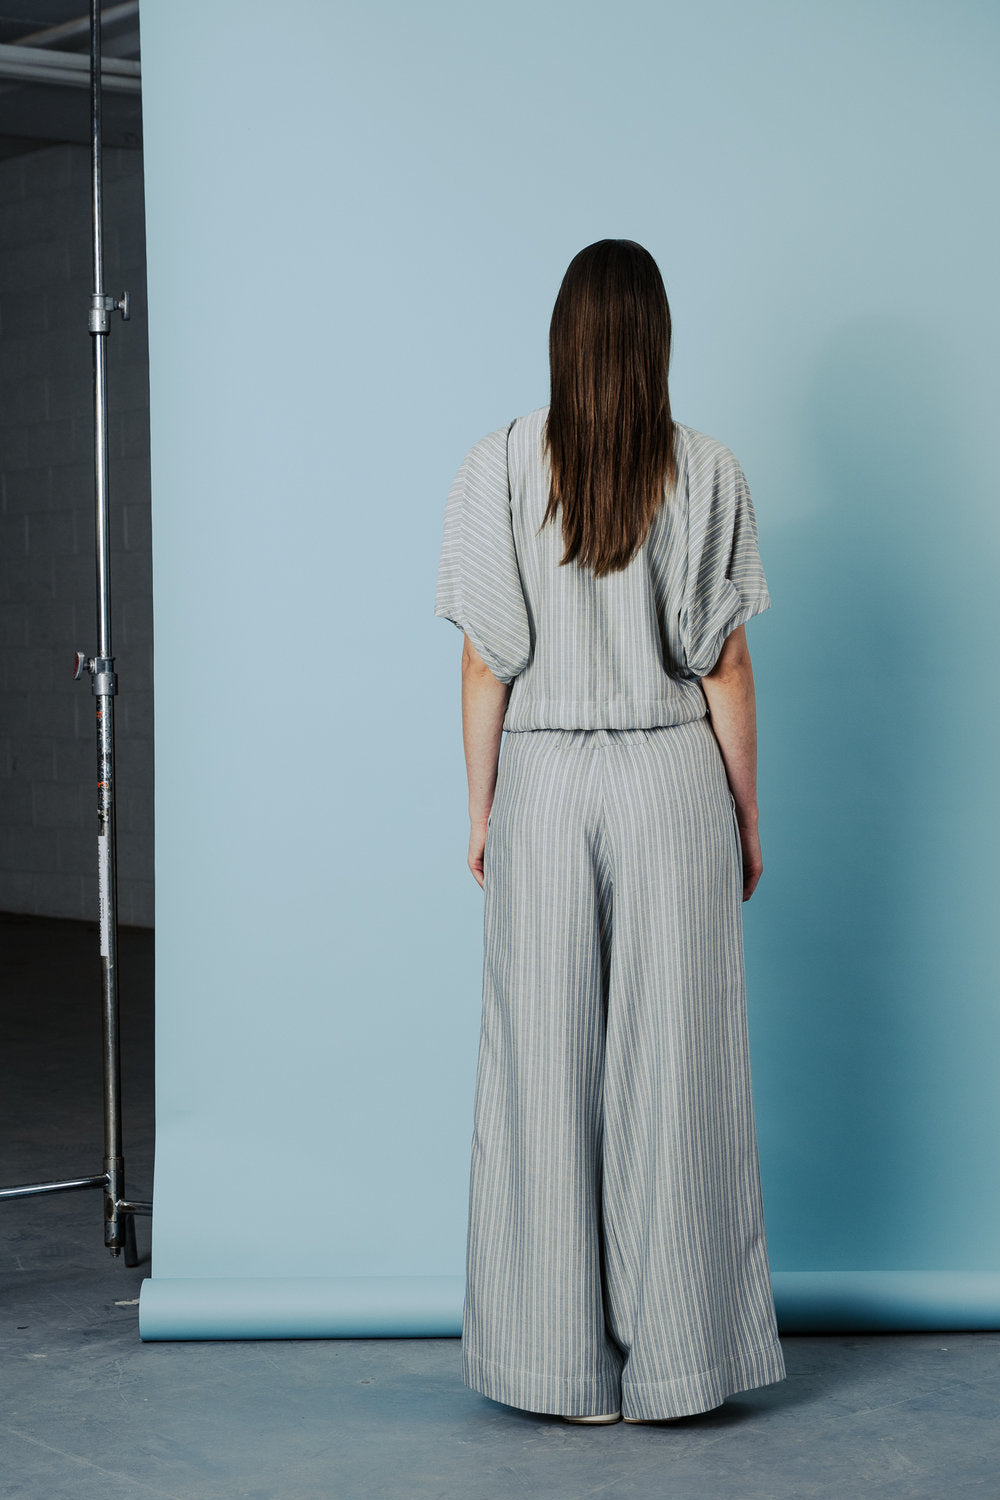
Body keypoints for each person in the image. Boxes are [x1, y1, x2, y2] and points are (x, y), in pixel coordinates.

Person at [433, 239, 786, 1427]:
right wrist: (745, 813)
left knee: (538, 1072)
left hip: (542, 779)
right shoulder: (708, 469)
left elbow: (485, 662)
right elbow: (723, 665)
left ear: (562, 336)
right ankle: (678, 1370)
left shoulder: (495, 466)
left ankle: (560, 1375)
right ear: (657, 339)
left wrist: (482, 808)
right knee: (675, 1073)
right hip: (670, 779)